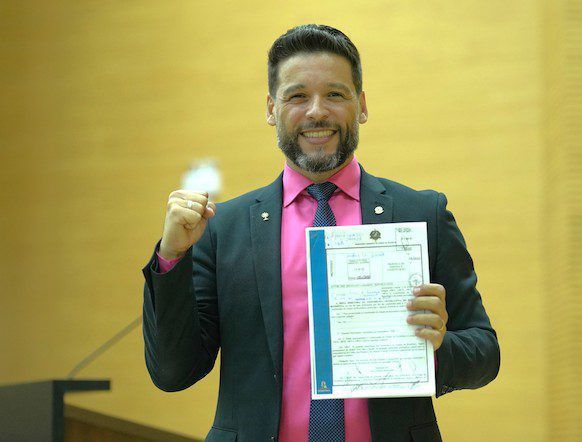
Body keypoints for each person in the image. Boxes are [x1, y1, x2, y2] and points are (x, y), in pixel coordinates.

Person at [142, 24, 499, 442]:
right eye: (297, 96)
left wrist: (437, 345)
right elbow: (172, 372)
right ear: (271, 108)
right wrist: (172, 256)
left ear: (361, 105)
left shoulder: (421, 214)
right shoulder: (225, 228)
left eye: (335, 94)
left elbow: (484, 354)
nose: (316, 112)